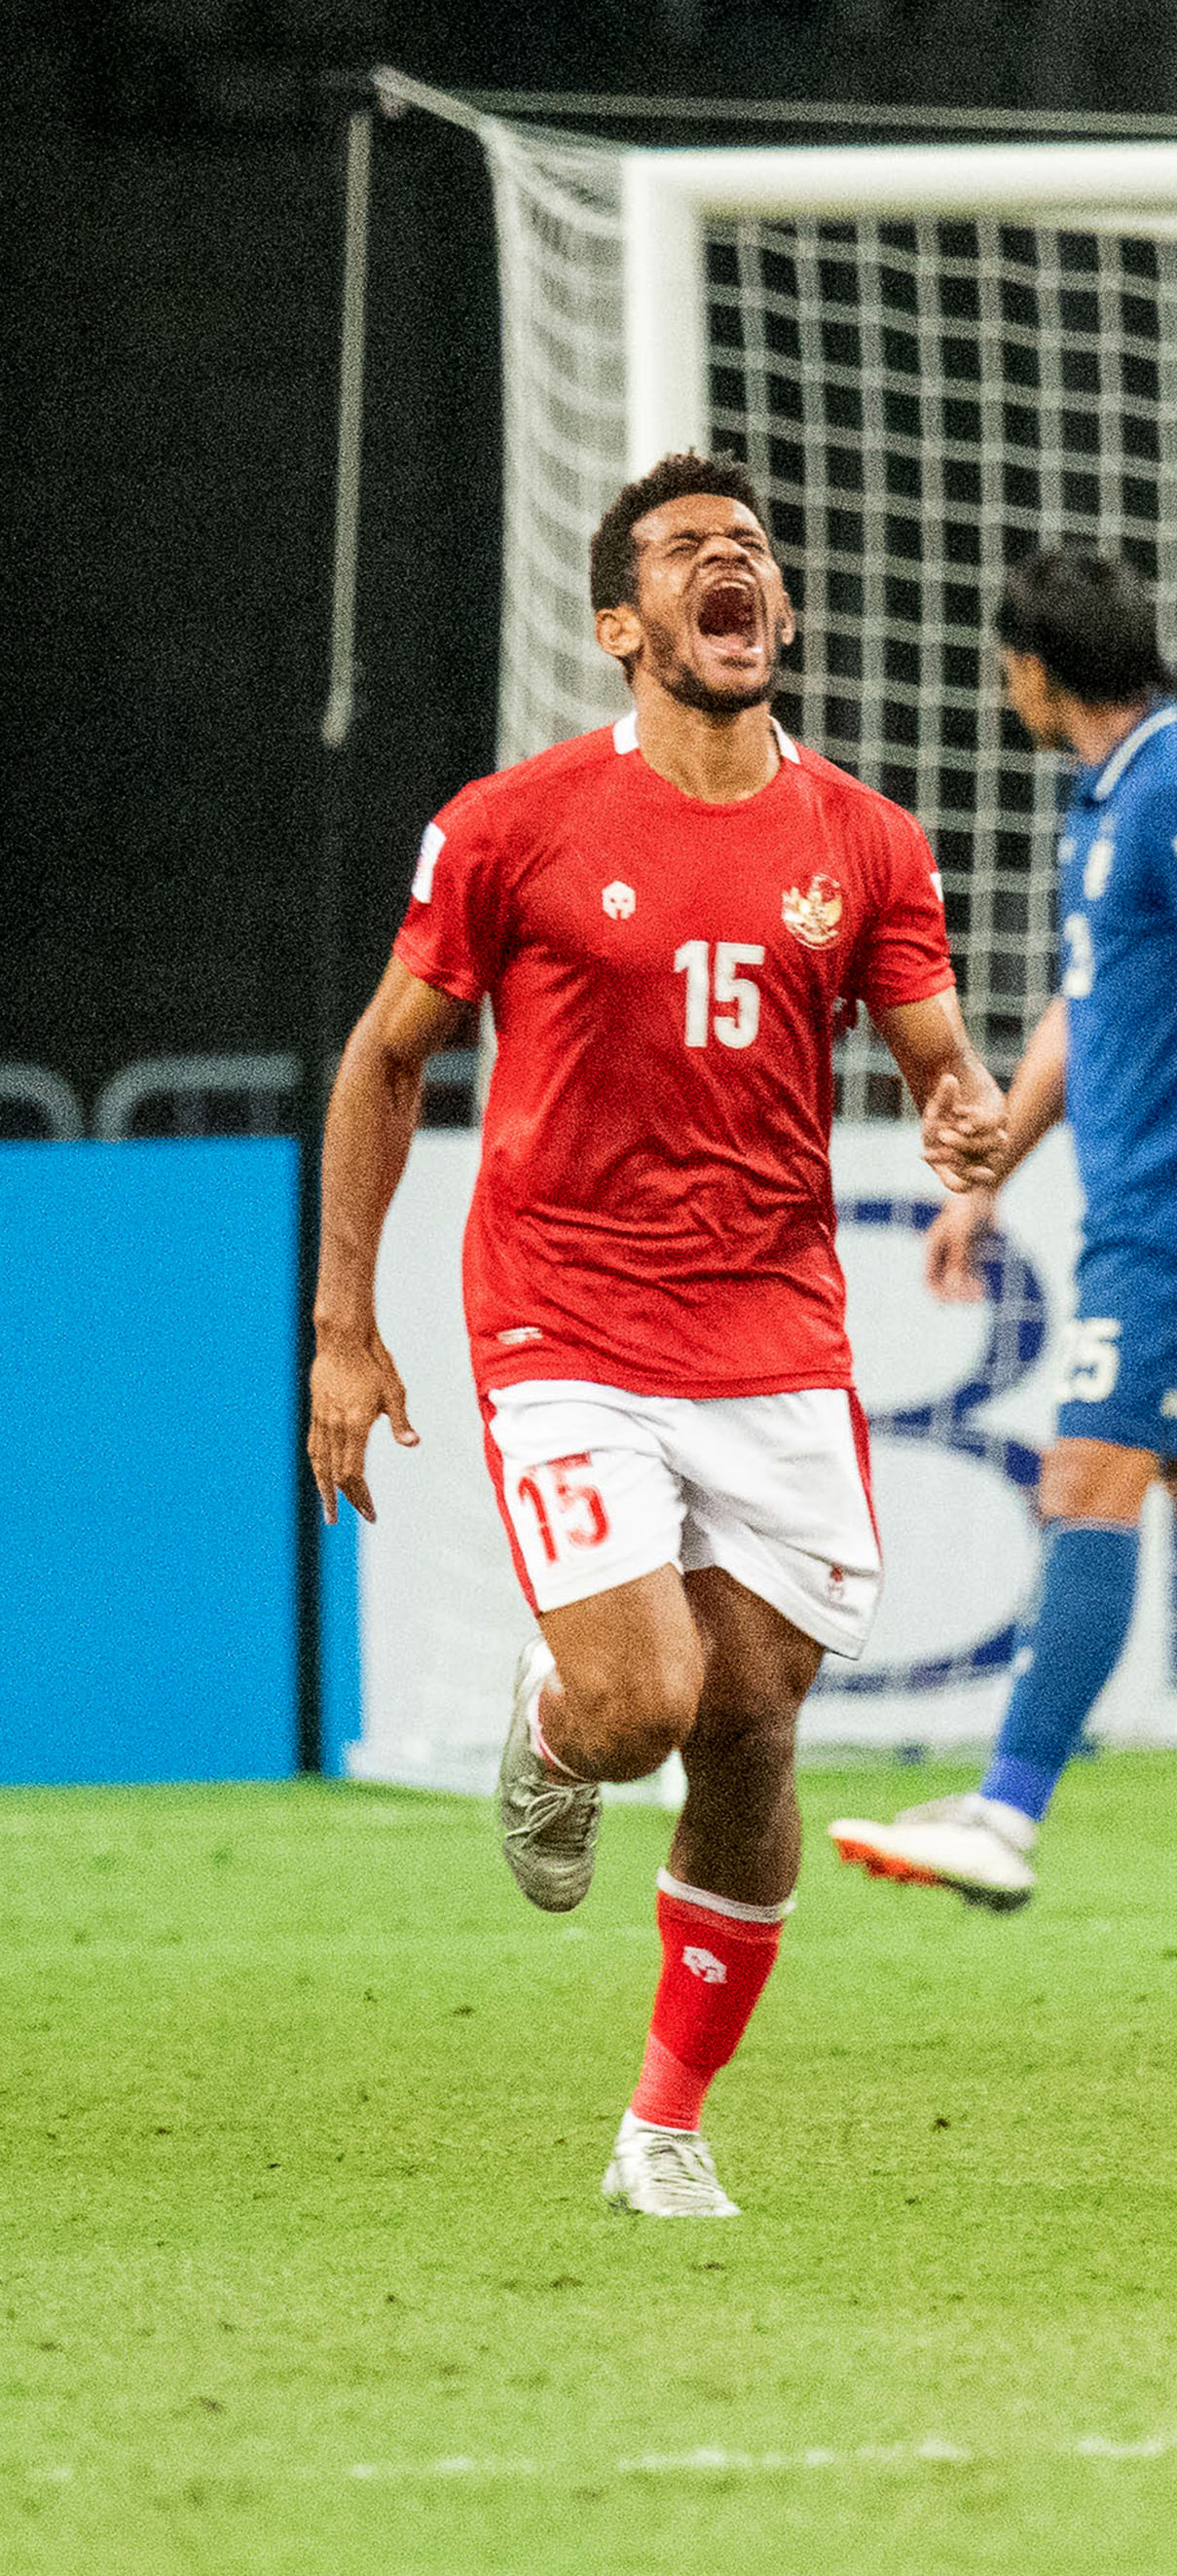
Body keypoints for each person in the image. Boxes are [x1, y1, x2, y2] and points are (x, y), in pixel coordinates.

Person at [306, 453, 1011, 2218]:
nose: (731, 567)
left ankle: (663, 2127)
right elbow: (387, 1055)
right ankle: (551, 1730)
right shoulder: (514, 825)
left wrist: (966, 1109)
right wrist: (346, 1324)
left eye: (752, 551)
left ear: (782, 612)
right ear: (625, 625)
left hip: (774, 1333)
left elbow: (936, 1052)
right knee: (641, 1704)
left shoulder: (864, 840)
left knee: (756, 1726)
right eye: (691, 553)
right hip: (565, 1316)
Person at [828, 553, 1177, 1914]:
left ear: (1036, 665)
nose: (1000, 684)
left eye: (1003, 661)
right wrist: (988, 1181)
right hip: (1139, 1206)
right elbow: (1084, 1017)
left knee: (1085, 1482)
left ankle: (1007, 1813)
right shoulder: (1106, 801)